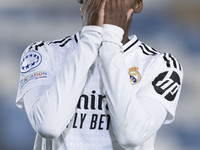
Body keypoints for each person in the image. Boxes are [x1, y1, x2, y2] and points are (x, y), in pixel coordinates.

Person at [16, 0, 183, 149]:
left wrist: (110, 45)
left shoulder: (161, 65)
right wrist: (89, 41)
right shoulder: (42, 53)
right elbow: (48, 126)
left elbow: (131, 136)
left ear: (137, 5)